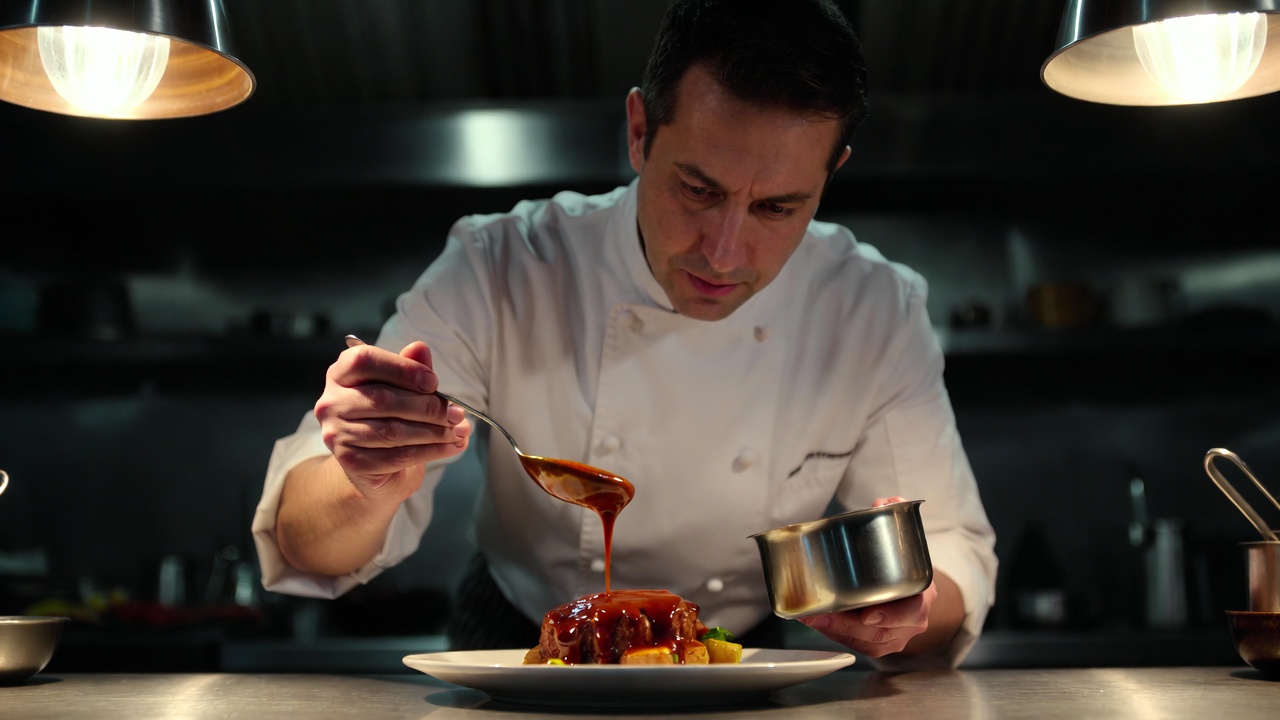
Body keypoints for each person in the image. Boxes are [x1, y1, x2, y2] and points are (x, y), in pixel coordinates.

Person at [251, 0, 997, 670]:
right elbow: (302, 538)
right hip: (516, 641)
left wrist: (907, 610)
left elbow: (953, 557)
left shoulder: (871, 307)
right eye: (697, 190)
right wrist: (365, 479)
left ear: (832, 174)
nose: (724, 253)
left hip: (735, 656)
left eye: (777, 208)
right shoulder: (501, 265)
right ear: (640, 132)